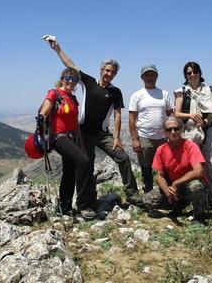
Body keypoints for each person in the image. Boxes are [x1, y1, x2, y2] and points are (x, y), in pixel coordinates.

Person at [45, 37, 142, 205]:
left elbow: (117, 115)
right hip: (84, 134)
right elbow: (72, 67)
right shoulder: (88, 82)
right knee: (87, 166)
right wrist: (58, 49)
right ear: (101, 70)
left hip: (103, 135)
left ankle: (132, 194)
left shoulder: (115, 92)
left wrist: (117, 138)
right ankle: (87, 200)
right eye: (107, 70)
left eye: (112, 72)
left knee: (123, 158)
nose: (109, 74)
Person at [38, 67, 97, 220]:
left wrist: (80, 141)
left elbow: (74, 122)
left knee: (69, 171)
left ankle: (64, 205)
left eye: (75, 79)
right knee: (83, 162)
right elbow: (44, 111)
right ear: (63, 78)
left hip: (72, 137)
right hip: (57, 137)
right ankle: (84, 205)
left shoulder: (72, 98)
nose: (71, 81)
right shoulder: (54, 93)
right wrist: (41, 123)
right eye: (68, 78)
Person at [174, 62, 212, 208]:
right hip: (189, 131)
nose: (192, 75)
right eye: (188, 73)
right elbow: (176, 113)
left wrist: (205, 122)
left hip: (208, 129)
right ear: (185, 75)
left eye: (194, 72)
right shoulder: (182, 91)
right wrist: (190, 115)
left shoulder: (209, 89)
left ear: (200, 73)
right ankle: (194, 198)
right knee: (191, 166)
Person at [143, 116, 207, 224]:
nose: (173, 132)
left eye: (176, 128)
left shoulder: (191, 146)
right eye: (169, 130)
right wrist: (167, 191)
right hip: (173, 187)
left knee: (196, 186)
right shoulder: (161, 149)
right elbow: (160, 175)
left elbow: (198, 171)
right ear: (164, 132)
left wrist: (176, 183)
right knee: (148, 200)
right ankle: (178, 204)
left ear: (181, 129)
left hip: (188, 184)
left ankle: (199, 216)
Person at [129, 65, 173, 193]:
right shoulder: (137, 95)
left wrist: (172, 134)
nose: (149, 77)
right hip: (145, 136)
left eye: (152, 74)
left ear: (156, 76)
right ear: (142, 78)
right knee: (146, 167)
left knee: (165, 166)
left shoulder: (164, 94)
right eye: (147, 75)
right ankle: (148, 192)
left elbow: (170, 114)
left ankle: (166, 192)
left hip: (163, 137)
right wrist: (135, 140)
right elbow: (132, 118)